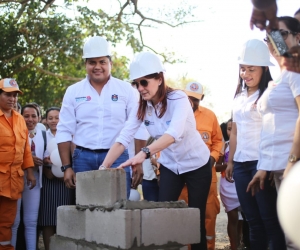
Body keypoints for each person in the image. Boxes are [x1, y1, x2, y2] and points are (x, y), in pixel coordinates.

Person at [111, 51, 212, 250]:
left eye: (144, 82)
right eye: (136, 83)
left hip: (197, 165)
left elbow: (173, 133)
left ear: (159, 78)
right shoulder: (142, 106)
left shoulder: (179, 99)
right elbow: (124, 137)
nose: (140, 88)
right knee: (163, 215)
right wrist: (104, 166)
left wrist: (145, 152)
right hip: (170, 166)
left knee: (196, 218)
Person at [56, 36, 141, 198]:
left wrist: (138, 162)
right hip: (83, 159)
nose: (97, 67)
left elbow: (138, 127)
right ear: (85, 64)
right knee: (86, 209)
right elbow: (64, 130)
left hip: (118, 159)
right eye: (92, 62)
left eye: (102, 62)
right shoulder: (73, 91)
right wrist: (66, 167)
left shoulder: (126, 90)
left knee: (118, 208)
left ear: (111, 63)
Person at [225, 39, 286, 250]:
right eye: (243, 69)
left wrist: (267, 166)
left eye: (251, 69)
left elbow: (273, 131)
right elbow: (235, 133)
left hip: (261, 164)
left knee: (269, 220)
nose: (246, 73)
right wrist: (231, 160)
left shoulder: (270, 93)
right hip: (241, 165)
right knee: (252, 220)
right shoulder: (239, 98)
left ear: (264, 69)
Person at [247, 16, 300, 249]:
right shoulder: (278, 78)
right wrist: (264, 167)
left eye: (281, 34)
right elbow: (271, 128)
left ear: (297, 38)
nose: (273, 41)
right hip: (277, 168)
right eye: (269, 36)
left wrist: (291, 162)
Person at [178, 81, 223, 250]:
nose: (191, 102)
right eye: (188, 97)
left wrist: (212, 158)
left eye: (195, 99)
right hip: (181, 173)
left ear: (201, 98)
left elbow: (218, 141)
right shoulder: (176, 114)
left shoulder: (210, 116)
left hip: (206, 174)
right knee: (183, 215)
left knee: (208, 215)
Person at [0, 78, 36, 250]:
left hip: (13, 182)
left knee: (7, 223)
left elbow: (26, 150)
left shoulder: (20, 119)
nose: (12, 99)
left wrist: (29, 172)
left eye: (15, 95)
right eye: (8, 94)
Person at [39, 107, 75, 250]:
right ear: (46, 120)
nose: (54, 121)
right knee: (48, 218)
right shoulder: (42, 136)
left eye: (57, 117)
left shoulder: (70, 135)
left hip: (66, 180)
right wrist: (46, 161)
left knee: (65, 218)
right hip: (48, 179)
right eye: (50, 118)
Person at [12, 104, 46, 250]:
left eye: (34, 116)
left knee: (31, 222)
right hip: (16, 178)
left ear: (39, 118)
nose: (30, 119)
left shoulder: (44, 133)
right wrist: (28, 158)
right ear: (21, 116)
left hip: (35, 180)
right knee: (14, 221)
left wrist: (46, 160)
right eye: (26, 116)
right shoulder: (14, 131)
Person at [216, 119, 242, 250]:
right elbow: (216, 167)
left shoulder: (246, 144)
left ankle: (241, 242)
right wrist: (227, 165)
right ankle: (234, 246)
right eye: (229, 129)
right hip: (228, 185)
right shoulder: (224, 146)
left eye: (233, 128)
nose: (231, 131)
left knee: (243, 218)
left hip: (242, 184)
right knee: (232, 217)